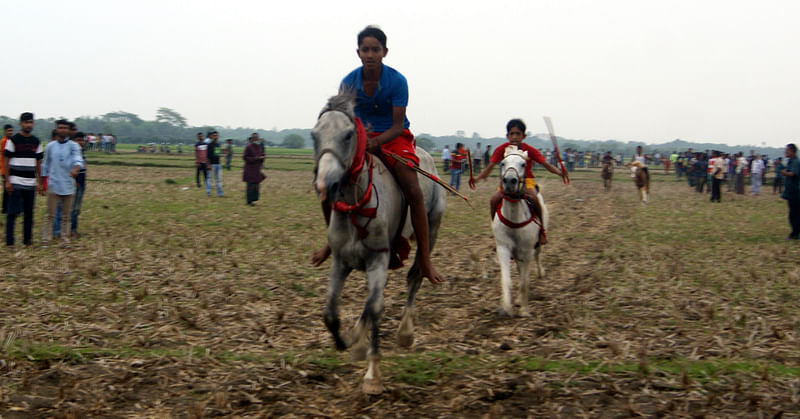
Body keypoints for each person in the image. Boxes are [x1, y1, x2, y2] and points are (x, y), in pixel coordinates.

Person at [312, 25, 444, 283]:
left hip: (394, 139)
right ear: (358, 52)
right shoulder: (348, 82)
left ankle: (425, 260)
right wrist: (360, 142)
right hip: (361, 139)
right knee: (327, 183)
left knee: (414, 190)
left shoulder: (397, 81)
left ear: (385, 52)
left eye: (375, 49)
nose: (370, 54)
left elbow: (397, 125)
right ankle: (332, 242)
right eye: (365, 49)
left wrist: (377, 142)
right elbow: (345, 119)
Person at [471, 119, 567, 245]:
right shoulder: (501, 150)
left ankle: (542, 232)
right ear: (507, 136)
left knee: (535, 199)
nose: (515, 137)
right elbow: (490, 167)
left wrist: (560, 173)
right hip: (507, 182)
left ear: (524, 136)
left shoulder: (530, 150)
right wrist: (477, 179)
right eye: (512, 134)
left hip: (526, 181)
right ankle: (497, 232)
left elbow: (545, 164)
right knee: (494, 199)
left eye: (518, 134)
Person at [40, 120, 83, 247]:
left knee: (66, 216)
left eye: (65, 128)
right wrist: (42, 183)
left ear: (69, 131)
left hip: (68, 184)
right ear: (57, 130)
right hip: (53, 183)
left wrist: (76, 169)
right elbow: (45, 165)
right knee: (50, 215)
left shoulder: (73, 146)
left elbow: (78, 160)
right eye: (60, 127)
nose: (62, 130)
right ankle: (46, 240)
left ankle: (65, 240)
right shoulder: (50, 146)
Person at [4, 113, 43, 248]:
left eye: (31, 122)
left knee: (29, 214)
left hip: (30, 183)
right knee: (12, 213)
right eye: (26, 122)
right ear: (21, 124)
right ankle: (10, 242)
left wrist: (39, 182)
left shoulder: (36, 142)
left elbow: (38, 163)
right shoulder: (13, 140)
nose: (28, 125)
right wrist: (7, 181)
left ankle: (27, 241)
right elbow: (6, 161)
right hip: (15, 182)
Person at [781, 144, 800, 239]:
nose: (785, 152)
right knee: (793, 213)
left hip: (795, 192)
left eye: (787, 150)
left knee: (794, 214)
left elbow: (793, 173)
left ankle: (795, 233)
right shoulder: (791, 161)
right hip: (791, 191)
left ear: (792, 151)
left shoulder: (795, 162)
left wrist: (784, 173)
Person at [242, 134, 266, 205]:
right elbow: (245, 157)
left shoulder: (259, 147)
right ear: (252, 139)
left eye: (257, 138)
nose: (256, 139)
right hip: (250, 168)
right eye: (254, 138)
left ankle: (254, 199)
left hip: (257, 168)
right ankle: (249, 201)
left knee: (256, 184)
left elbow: (262, 155)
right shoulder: (248, 147)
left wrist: (262, 158)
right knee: (250, 185)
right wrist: (255, 158)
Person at [206, 131, 223, 197]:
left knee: (218, 179)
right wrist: (208, 164)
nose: (215, 137)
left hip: (218, 164)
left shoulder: (218, 144)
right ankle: (208, 192)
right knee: (209, 178)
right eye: (214, 135)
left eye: (216, 135)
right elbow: (207, 156)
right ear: (212, 136)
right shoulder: (210, 145)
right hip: (212, 164)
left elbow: (217, 154)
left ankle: (220, 193)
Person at [0, 124, 12, 216]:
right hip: (5, 168)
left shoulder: (10, 141)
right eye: (8, 131)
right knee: (6, 189)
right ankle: (5, 209)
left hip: (8, 168)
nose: (10, 132)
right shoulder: (4, 141)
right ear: (4, 131)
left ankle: (8, 208)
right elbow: (6, 155)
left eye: (11, 131)